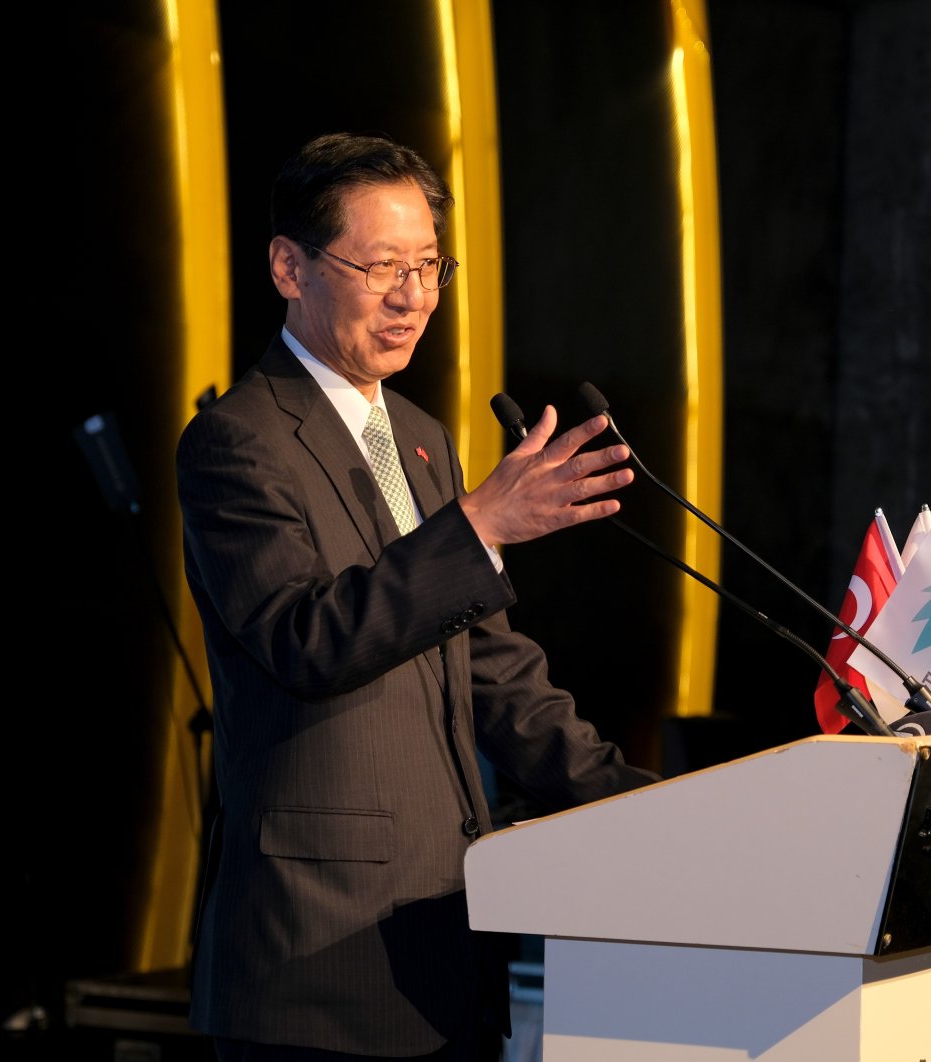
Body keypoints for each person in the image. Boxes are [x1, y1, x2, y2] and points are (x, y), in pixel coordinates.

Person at [175, 131, 659, 1061]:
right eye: (382, 266)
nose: (414, 297)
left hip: (447, 948)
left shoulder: (422, 436)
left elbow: (495, 675)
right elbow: (306, 640)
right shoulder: (238, 442)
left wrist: (652, 809)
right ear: (289, 266)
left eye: (431, 266)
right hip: (314, 966)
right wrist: (477, 529)